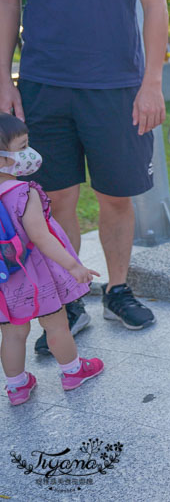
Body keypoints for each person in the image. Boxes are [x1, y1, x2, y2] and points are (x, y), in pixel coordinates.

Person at [0, 0, 170, 352]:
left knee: (116, 196)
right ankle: (69, 298)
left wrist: (152, 83)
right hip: (43, 84)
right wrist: (3, 80)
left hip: (117, 86)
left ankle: (117, 288)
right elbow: (7, 2)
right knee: (53, 199)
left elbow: (156, 7)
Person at [0, 114, 103, 405]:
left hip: (5, 279)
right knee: (55, 323)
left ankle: (17, 387)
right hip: (36, 275)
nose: (29, 152)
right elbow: (42, 238)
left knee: (12, 332)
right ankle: (72, 371)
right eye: (22, 147)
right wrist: (74, 266)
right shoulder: (23, 192)